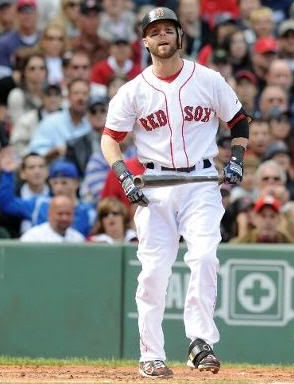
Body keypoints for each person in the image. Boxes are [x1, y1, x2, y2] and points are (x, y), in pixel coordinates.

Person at [100, 7, 251, 378]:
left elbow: (239, 119)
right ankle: (151, 354)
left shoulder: (209, 79)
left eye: (169, 29)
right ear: (145, 41)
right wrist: (122, 175)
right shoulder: (132, 91)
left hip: (201, 182)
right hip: (155, 185)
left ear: (180, 37)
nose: (162, 36)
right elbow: (110, 140)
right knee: (153, 272)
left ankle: (200, 342)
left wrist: (238, 157)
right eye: (155, 31)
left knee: (203, 257)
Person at [20, 195, 85, 242]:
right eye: (60, 214)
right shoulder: (33, 237)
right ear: (49, 214)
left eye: (68, 214)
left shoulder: (78, 238)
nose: (64, 218)